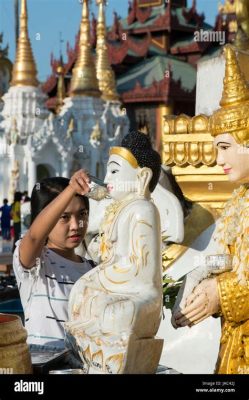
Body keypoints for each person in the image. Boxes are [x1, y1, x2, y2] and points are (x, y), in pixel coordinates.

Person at [172, 45, 249, 374]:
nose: (218, 161)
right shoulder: (238, 202)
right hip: (235, 337)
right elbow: (233, 260)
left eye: (225, 148)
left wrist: (220, 292)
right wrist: (199, 275)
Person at [65, 131, 163, 374]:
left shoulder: (143, 209)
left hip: (139, 295)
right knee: (80, 300)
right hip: (115, 288)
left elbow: (140, 272)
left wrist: (97, 276)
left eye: (115, 171)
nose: (107, 178)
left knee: (115, 315)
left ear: (142, 176)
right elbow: (107, 257)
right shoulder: (118, 209)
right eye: (108, 171)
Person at [13, 170, 93, 348]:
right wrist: (71, 189)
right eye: (63, 217)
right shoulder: (37, 265)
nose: (75, 225)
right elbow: (34, 237)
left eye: (82, 214)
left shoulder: (93, 270)